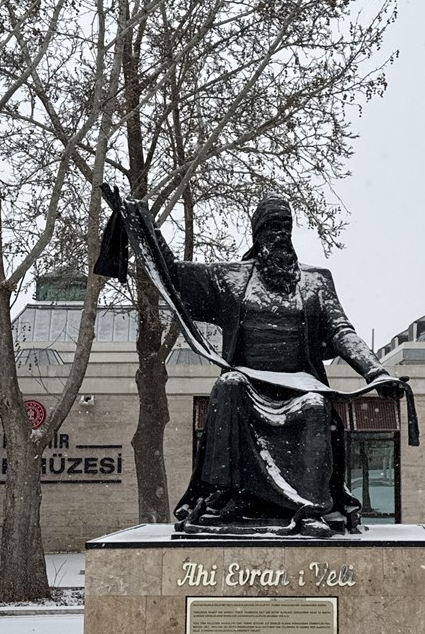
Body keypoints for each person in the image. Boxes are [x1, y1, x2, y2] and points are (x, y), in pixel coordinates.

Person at [127, 193, 406, 537]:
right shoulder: (229, 278)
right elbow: (172, 276)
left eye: (285, 227)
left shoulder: (317, 280)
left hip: (302, 387)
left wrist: (377, 372)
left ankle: (309, 508)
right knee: (229, 385)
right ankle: (230, 497)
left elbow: (341, 332)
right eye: (272, 228)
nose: (280, 235)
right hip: (248, 386)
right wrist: (140, 222)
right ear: (257, 234)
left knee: (315, 406)